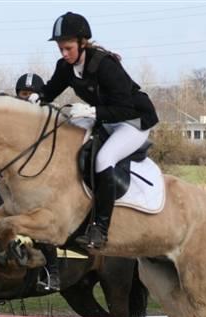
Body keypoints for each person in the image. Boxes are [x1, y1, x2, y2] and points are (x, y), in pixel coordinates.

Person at [39, 11, 159, 249]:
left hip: (133, 121)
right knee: (67, 135)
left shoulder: (105, 65)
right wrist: (36, 97)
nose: (64, 53)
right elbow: (49, 91)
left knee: (104, 158)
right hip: (105, 119)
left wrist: (92, 113)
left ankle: (100, 229)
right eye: (61, 48)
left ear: (82, 43)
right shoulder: (65, 66)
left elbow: (124, 108)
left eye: (68, 48)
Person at [15, 73, 59, 291]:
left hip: (47, 179)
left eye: (31, 94)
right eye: (23, 93)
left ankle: (52, 272)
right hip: (16, 181)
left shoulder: (49, 119)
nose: (27, 98)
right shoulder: (13, 122)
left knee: (39, 217)